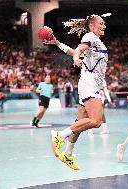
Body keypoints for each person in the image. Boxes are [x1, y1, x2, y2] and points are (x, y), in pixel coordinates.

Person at [44, 14, 108, 170]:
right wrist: (76, 57)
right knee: (96, 121)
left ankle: (68, 153)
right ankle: (60, 135)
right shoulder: (90, 36)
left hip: (89, 84)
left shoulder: (95, 42)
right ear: (92, 26)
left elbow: (74, 51)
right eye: (101, 23)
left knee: (80, 123)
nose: (104, 25)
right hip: (90, 84)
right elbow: (78, 50)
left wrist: (57, 43)